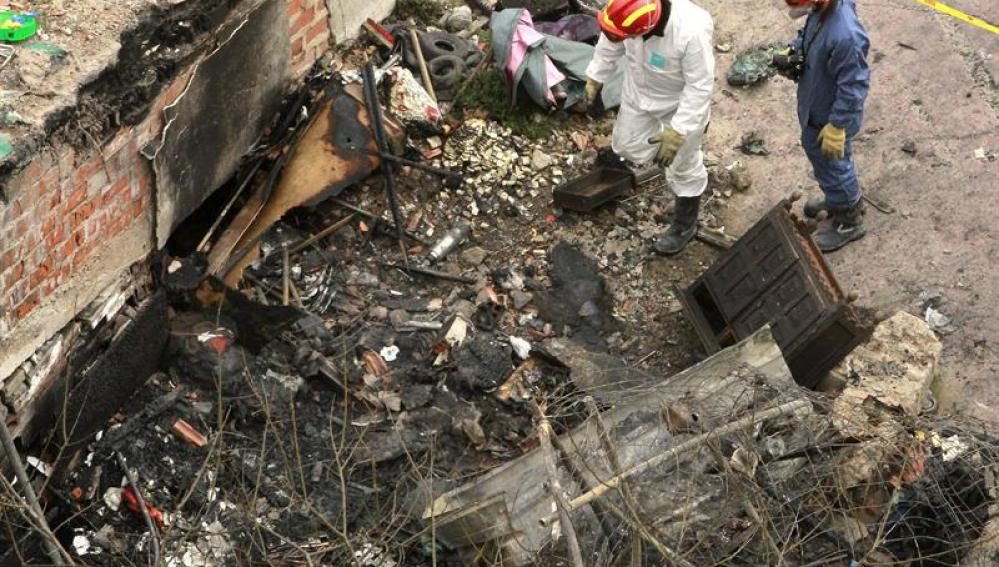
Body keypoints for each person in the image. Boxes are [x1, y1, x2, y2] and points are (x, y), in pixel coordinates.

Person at [584, 0, 714, 255]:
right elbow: (610, 41)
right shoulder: (627, 11)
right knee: (625, 145)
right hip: (639, 94)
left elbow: (699, 86)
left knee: (682, 167)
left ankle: (684, 224)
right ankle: (667, 160)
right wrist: (595, 77)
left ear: (645, 28)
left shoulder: (691, 30)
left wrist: (679, 131)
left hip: (679, 107)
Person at [781, 0, 870, 252]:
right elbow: (810, 32)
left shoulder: (846, 35)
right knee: (823, 160)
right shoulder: (823, 10)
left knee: (834, 165)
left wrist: (838, 126)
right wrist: (796, 51)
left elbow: (854, 86)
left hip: (829, 118)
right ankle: (837, 200)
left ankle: (848, 220)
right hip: (816, 104)